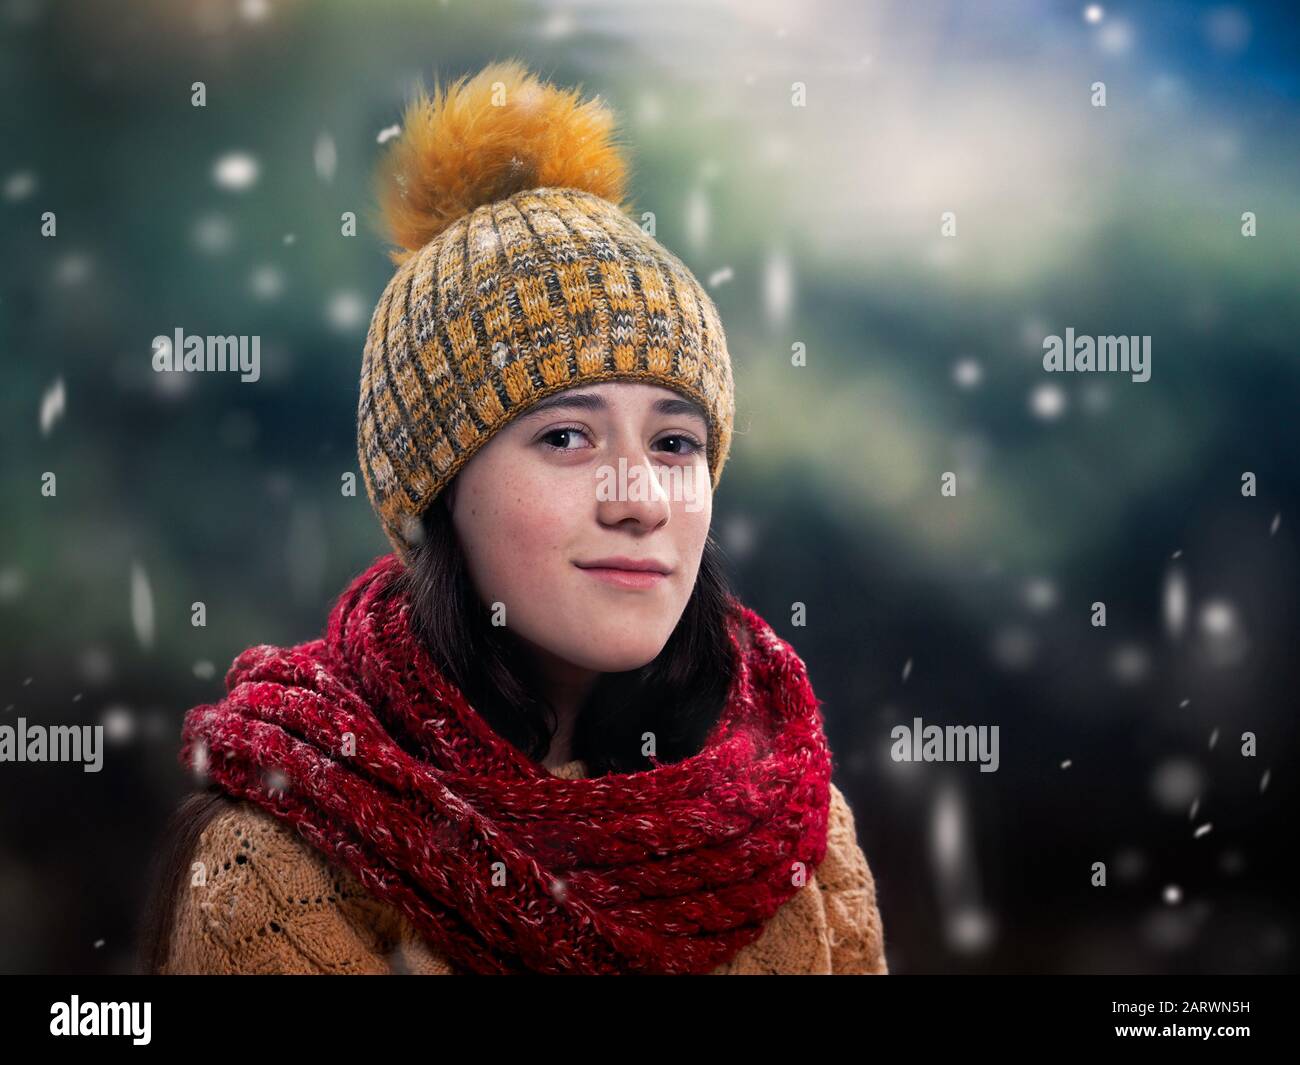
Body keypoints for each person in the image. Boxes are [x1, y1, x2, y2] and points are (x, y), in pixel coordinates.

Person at [136, 58, 887, 976]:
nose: (640, 500)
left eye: (676, 444)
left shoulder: (791, 833)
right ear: (434, 488)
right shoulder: (279, 872)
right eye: (567, 436)